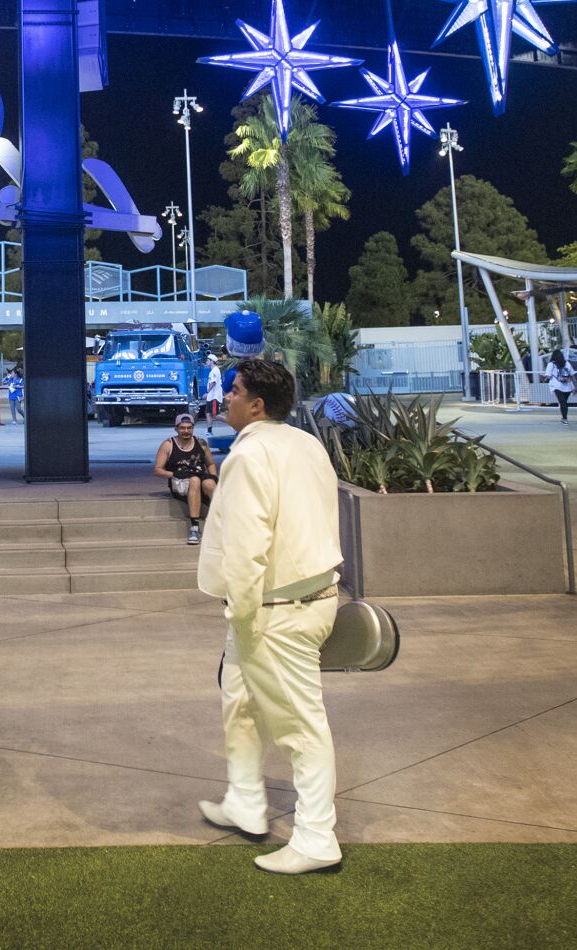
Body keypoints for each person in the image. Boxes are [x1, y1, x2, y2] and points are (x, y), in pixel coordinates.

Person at [197, 357, 344, 876]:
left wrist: (241, 614)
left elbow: (246, 545)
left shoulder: (250, 454)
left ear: (256, 404)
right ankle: (244, 800)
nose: (226, 397)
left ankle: (316, 837)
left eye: (233, 391)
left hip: (273, 610)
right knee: (239, 702)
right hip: (309, 597)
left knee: (300, 727)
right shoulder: (306, 444)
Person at [155, 412, 218, 544]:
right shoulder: (168, 444)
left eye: (189, 428)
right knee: (194, 480)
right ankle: (194, 527)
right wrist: (173, 474)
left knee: (210, 484)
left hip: (200, 477)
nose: (186, 431)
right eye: (182, 428)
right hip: (180, 481)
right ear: (176, 429)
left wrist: (214, 477)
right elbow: (158, 470)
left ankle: (222, 521)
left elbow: (210, 464)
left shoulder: (201, 443)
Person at [544, 350, 576, 423]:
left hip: (557, 386)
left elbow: (548, 376)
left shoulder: (551, 364)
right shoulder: (567, 363)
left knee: (562, 402)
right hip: (568, 386)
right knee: (564, 402)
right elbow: (573, 375)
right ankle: (564, 418)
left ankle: (565, 419)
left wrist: (547, 377)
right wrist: (576, 387)